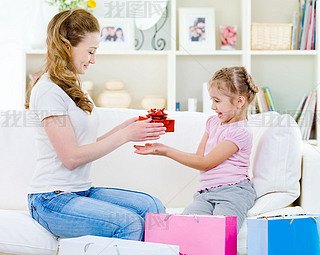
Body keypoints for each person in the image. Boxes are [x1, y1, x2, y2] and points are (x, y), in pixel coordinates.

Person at [25, 9, 166, 241]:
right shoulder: (48, 90)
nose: (93, 60)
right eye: (90, 51)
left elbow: (84, 145)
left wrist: (124, 129)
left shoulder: (74, 84)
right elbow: (71, 158)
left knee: (153, 208)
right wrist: (125, 135)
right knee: (128, 223)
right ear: (66, 46)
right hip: (50, 199)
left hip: (80, 191)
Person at [134, 66, 259, 233]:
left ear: (239, 101)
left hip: (233, 193)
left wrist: (165, 150)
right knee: (185, 230)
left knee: (220, 235)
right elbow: (199, 157)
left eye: (217, 101)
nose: (213, 107)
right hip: (206, 194)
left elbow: (206, 163)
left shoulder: (240, 132)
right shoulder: (212, 122)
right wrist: (162, 148)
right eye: (212, 100)